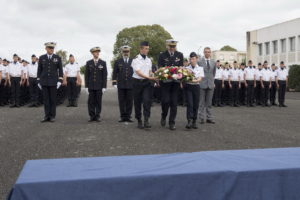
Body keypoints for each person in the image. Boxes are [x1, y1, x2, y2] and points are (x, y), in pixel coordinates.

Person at [157, 39, 184, 130]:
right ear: (167, 46)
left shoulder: (179, 55)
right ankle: (163, 115)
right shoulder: (162, 55)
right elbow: (160, 67)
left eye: (174, 46)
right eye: (170, 46)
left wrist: (180, 74)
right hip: (165, 82)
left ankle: (172, 122)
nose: (172, 48)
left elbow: (181, 67)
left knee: (174, 103)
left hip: (175, 82)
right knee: (165, 101)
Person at [132, 41, 156, 129]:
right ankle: (139, 120)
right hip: (137, 83)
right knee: (137, 103)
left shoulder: (149, 60)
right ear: (141, 49)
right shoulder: (135, 59)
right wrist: (150, 78)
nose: (147, 50)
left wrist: (154, 77)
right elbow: (138, 72)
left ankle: (146, 120)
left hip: (146, 83)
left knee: (147, 101)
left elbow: (150, 71)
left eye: (148, 49)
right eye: (146, 49)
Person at [37, 42, 64, 122]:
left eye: (52, 48)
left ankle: (52, 116)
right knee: (46, 100)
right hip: (44, 82)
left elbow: (60, 70)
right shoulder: (42, 57)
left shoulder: (57, 57)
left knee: (52, 99)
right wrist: (38, 80)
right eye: (50, 48)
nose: (52, 49)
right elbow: (39, 70)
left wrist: (60, 80)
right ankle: (46, 116)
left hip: (53, 82)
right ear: (46, 49)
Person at [85, 47, 107, 122]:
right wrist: (86, 86)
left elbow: (104, 76)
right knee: (90, 102)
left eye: (98, 52)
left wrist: (104, 86)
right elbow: (86, 75)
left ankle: (97, 116)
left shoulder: (103, 63)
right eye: (95, 52)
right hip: (91, 86)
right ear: (92, 53)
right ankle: (92, 116)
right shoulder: (88, 63)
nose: (97, 53)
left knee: (98, 101)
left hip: (99, 86)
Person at [112, 45, 134, 122]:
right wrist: (114, 82)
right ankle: (122, 116)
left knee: (129, 101)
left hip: (131, 84)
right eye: (124, 52)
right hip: (121, 84)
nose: (126, 53)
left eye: (127, 51)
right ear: (122, 52)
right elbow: (114, 72)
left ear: (129, 52)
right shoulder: (118, 61)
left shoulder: (133, 61)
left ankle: (128, 116)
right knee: (121, 101)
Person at [184, 52, 204, 129]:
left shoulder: (200, 68)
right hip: (188, 87)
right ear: (189, 59)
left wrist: (194, 80)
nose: (192, 60)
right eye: (191, 59)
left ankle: (194, 121)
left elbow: (200, 78)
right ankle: (189, 120)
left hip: (196, 87)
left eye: (194, 59)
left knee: (196, 105)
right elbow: (185, 78)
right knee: (190, 104)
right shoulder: (186, 68)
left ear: (196, 59)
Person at [197, 47, 216, 124]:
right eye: (206, 52)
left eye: (208, 52)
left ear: (210, 53)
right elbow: (198, 72)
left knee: (209, 103)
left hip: (210, 84)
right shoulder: (199, 62)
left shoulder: (213, 62)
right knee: (201, 102)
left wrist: (212, 81)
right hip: (202, 84)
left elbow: (213, 73)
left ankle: (209, 118)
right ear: (203, 53)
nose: (207, 53)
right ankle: (201, 118)